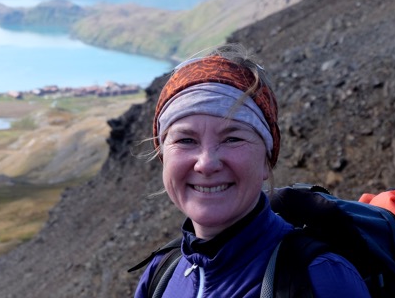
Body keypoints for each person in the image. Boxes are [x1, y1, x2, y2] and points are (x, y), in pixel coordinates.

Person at [134, 44, 370, 297]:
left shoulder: (319, 278)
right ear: (163, 156)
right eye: (186, 140)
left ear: (267, 159)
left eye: (232, 139)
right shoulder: (161, 273)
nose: (206, 163)